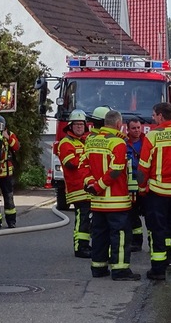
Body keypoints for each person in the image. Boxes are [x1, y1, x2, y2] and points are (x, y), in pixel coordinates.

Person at [82, 110, 141, 281]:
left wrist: (91, 184)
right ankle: (120, 270)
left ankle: (98, 268)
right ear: (118, 124)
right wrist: (99, 186)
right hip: (116, 201)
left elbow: (84, 165)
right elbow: (116, 170)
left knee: (99, 234)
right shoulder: (118, 143)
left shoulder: (91, 140)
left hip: (97, 201)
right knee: (120, 235)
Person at [138, 103, 171, 281]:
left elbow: (144, 167)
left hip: (158, 192)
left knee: (158, 230)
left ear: (161, 116)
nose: (153, 118)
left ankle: (159, 270)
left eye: (154, 115)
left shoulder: (152, 136)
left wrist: (141, 187)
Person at [58, 109, 92, 258]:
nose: (79, 127)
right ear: (70, 126)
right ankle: (80, 247)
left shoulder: (86, 140)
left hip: (88, 187)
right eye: (76, 124)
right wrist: (89, 156)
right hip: (77, 188)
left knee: (88, 218)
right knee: (82, 217)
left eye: (81, 124)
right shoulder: (66, 143)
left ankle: (85, 245)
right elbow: (71, 163)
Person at [0, 115, 20, 228]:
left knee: (8, 197)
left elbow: (17, 147)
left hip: (6, 172)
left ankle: (11, 221)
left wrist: (8, 137)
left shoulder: (10, 134)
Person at [125, 118, 145, 252]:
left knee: (149, 214)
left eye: (138, 127)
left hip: (144, 183)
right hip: (130, 185)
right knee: (132, 214)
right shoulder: (124, 144)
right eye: (134, 128)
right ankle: (136, 241)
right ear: (128, 130)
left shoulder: (146, 142)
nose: (137, 130)